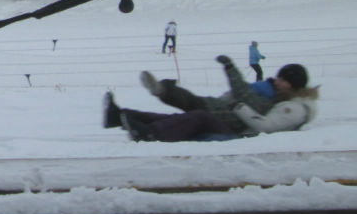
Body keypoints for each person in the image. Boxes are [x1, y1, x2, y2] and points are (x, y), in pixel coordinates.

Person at [105, 56, 317, 141]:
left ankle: (150, 134)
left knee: (198, 115)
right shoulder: (280, 98)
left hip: (239, 136)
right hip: (231, 123)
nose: (278, 82)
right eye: (279, 78)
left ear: (295, 85)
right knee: (182, 116)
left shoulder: (292, 107)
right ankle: (122, 116)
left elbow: (266, 127)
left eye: (284, 80)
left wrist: (238, 105)